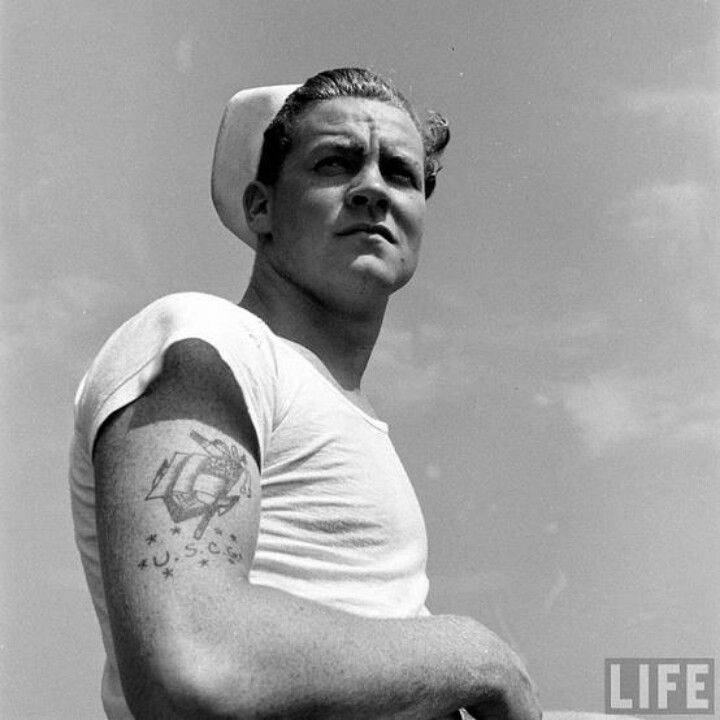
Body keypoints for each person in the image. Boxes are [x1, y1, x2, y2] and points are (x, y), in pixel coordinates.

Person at [69, 67, 543, 720]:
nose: (374, 188)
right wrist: (479, 658)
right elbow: (196, 660)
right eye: (335, 163)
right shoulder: (210, 339)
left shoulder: (350, 414)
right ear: (261, 207)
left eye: (401, 173)